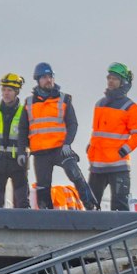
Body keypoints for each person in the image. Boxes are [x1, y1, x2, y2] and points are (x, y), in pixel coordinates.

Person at [27, 63, 94, 209]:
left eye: (50, 76)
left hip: (60, 147)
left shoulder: (64, 99)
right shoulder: (29, 103)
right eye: (44, 77)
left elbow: (72, 124)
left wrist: (67, 143)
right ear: (38, 80)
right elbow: (23, 129)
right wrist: (23, 149)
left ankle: (91, 205)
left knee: (75, 173)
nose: (48, 80)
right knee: (43, 186)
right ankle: (46, 214)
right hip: (41, 152)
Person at [86, 62, 137, 211]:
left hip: (118, 166)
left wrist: (124, 150)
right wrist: (90, 148)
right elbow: (97, 132)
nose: (110, 81)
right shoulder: (99, 104)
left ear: (123, 82)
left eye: (115, 78)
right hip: (97, 166)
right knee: (91, 206)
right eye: (109, 78)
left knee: (119, 207)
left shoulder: (131, 107)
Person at [0, 73, 31, 208]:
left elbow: (29, 137)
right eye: (3, 90)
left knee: (22, 204)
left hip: (18, 164)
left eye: (9, 90)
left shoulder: (25, 112)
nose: (5, 93)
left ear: (16, 92)